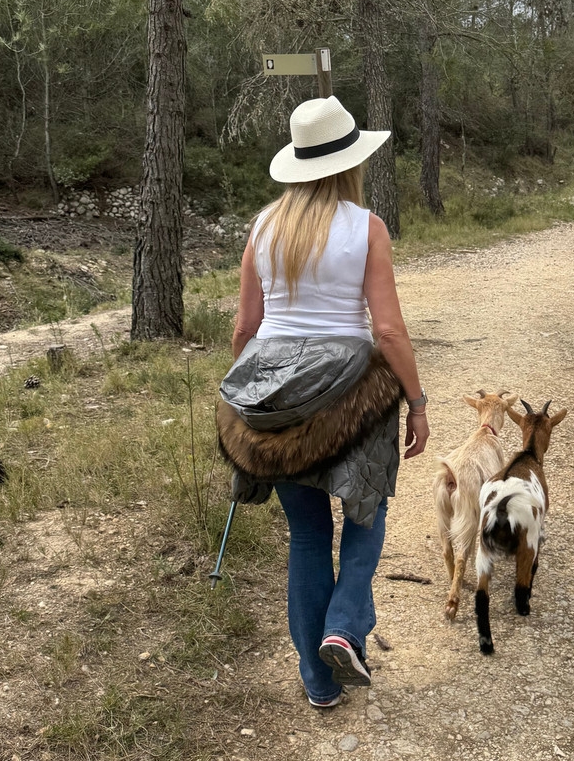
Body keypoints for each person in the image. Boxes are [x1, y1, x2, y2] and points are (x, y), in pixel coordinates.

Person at [223, 96, 429, 708]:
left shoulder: (262, 227)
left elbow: (245, 327)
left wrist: (244, 398)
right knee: (366, 515)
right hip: (350, 393)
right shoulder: (365, 227)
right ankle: (343, 628)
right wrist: (415, 401)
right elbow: (388, 331)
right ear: (347, 163)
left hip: (278, 392)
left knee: (307, 538)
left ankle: (318, 683)